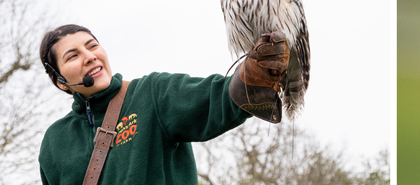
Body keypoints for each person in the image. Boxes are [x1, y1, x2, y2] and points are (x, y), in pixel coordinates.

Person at [37, 24, 289, 184]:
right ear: (60, 81)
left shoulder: (151, 93)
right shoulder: (54, 141)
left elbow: (219, 98)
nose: (90, 56)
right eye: (73, 56)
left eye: (92, 46)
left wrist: (253, 78)